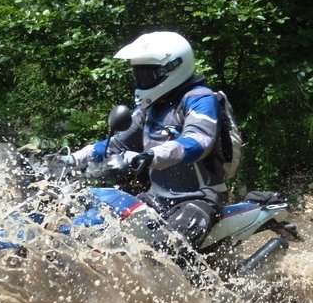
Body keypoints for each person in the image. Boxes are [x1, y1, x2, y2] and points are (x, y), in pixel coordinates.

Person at [63, 31, 228, 249]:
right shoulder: (150, 107)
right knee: (107, 229)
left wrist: (150, 156)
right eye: (138, 74)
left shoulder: (199, 98)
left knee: (164, 252)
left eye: (147, 74)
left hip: (197, 199)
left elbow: (199, 140)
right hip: (156, 198)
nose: (141, 81)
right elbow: (118, 143)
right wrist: (72, 159)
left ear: (173, 68)